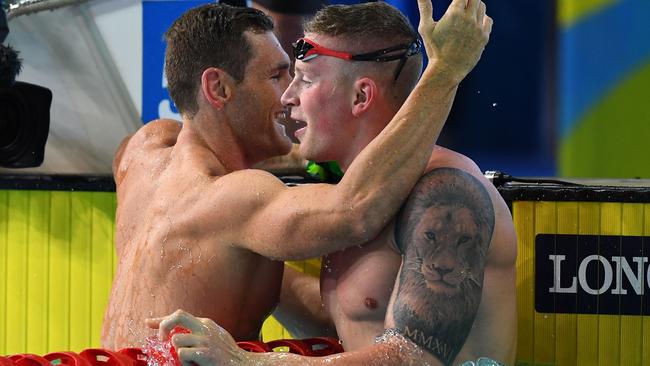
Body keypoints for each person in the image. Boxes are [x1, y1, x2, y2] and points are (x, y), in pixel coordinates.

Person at [149, 1, 515, 365]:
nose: (287, 97)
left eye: (304, 80)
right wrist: (230, 256)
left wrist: (245, 362)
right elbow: (357, 324)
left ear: (360, 96)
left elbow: (415, 359)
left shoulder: (446, 192)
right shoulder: (350, 195)